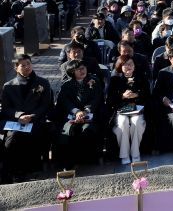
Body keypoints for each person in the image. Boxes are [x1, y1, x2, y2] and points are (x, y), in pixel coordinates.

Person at [0, 54, 53, 183]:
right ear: (16, 67)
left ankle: (33, 169)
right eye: (23, 65)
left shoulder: (43, 83)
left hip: (36, 120)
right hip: (17, 122)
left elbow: (46, 105)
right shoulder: (8, 86)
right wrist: (19, 116)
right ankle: (15, 172)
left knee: (33, 134)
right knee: (12, 138)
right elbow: (6, 109)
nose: (27, 67)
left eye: (28, 64)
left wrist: (32, 116)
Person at [55, 60, 105, 168]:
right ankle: (69, 163)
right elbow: (64, 101)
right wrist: (76, 111)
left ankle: (87, 160)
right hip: (72, 115)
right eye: (78, 69)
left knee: (86, 129)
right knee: (68, 131)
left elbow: (97, 99)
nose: (82, 71)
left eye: (83, 68)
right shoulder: (67, 85)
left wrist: (86, 111)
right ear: (72, 72)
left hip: (90, 114)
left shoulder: (94, 81)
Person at [108, 56, 149, 164]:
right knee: (123, 123)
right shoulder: (115, 79)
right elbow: (109, 99)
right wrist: (122, 96)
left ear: (134, 66)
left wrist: (137, 94)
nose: (128, 66)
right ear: (120, 66)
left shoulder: (141, 77)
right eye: (125, 64)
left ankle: (135, 154)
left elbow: (148, 95)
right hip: (121, 110)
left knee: (137, 122)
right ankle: (124, 155)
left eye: (131, 64)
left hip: (137, 109)